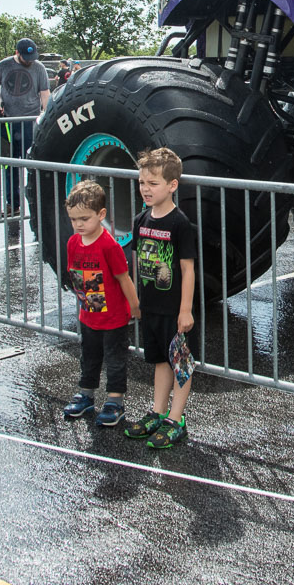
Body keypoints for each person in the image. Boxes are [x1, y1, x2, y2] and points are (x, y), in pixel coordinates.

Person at [122, 147, 197, 449]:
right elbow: (139, 262)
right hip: (151, 305)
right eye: (142, 183)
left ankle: (176, 418)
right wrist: (137, 301)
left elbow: (188, 270)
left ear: (172, 185)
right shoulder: (141, 220)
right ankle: (157, 411)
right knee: (159, 361)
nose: (146, 189)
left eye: (153, 184)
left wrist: (186, 310)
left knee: (180, 363)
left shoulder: (180, 224)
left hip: (175, 309)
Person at [61, 179, 140, 427]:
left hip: (114, 318)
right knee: (89, 356)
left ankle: (115, 401)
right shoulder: (73, 242)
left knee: (115, 360)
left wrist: (135, 306)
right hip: (89, 315)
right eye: (74, 220)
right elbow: (74, 273)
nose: (79, 225)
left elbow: (123, 278)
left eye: (84, 219)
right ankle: (86, 394)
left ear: (101, 214)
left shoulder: (109, 246)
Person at [0, 39, 51, 217]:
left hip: (30, 121)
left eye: (32, 57)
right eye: (26, 58)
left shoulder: (39, 68)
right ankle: (12, 204)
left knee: (33, 164)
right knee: (10, 164)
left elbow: (45, 93)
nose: (29, 61)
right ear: (17, 53)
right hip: (8, 121)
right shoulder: (4, 65)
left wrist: (46, 115)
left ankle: (38, 205)